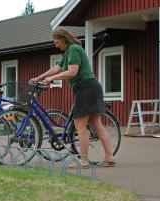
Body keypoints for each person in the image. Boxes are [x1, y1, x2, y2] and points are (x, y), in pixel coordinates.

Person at [30, 27, 116, 168]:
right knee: (96, 124)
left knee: (80, 126)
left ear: (64, 39)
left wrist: (52, 79)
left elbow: (72, 72)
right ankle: (109, 157)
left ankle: (84, 161)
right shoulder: (68, 52)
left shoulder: (74, 49)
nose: (55, 45)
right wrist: (40, 77)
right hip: (91, 88)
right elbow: (57, 68)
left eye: (57, 42)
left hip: (86, 89)